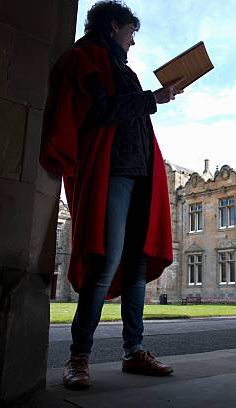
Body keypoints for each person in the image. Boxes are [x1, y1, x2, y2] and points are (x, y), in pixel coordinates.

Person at [39, 1, 184, 389]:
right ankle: (79, 357)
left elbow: (131, 114)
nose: (133, 41)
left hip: (141, 173)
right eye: (131, 32)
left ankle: (134, 351)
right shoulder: (85, 57)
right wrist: (154, 98)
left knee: (137, 265)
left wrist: (153, 98)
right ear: (114, 26)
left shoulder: (125, 70)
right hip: (112, 172)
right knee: (105, 260)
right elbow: (101, 111)